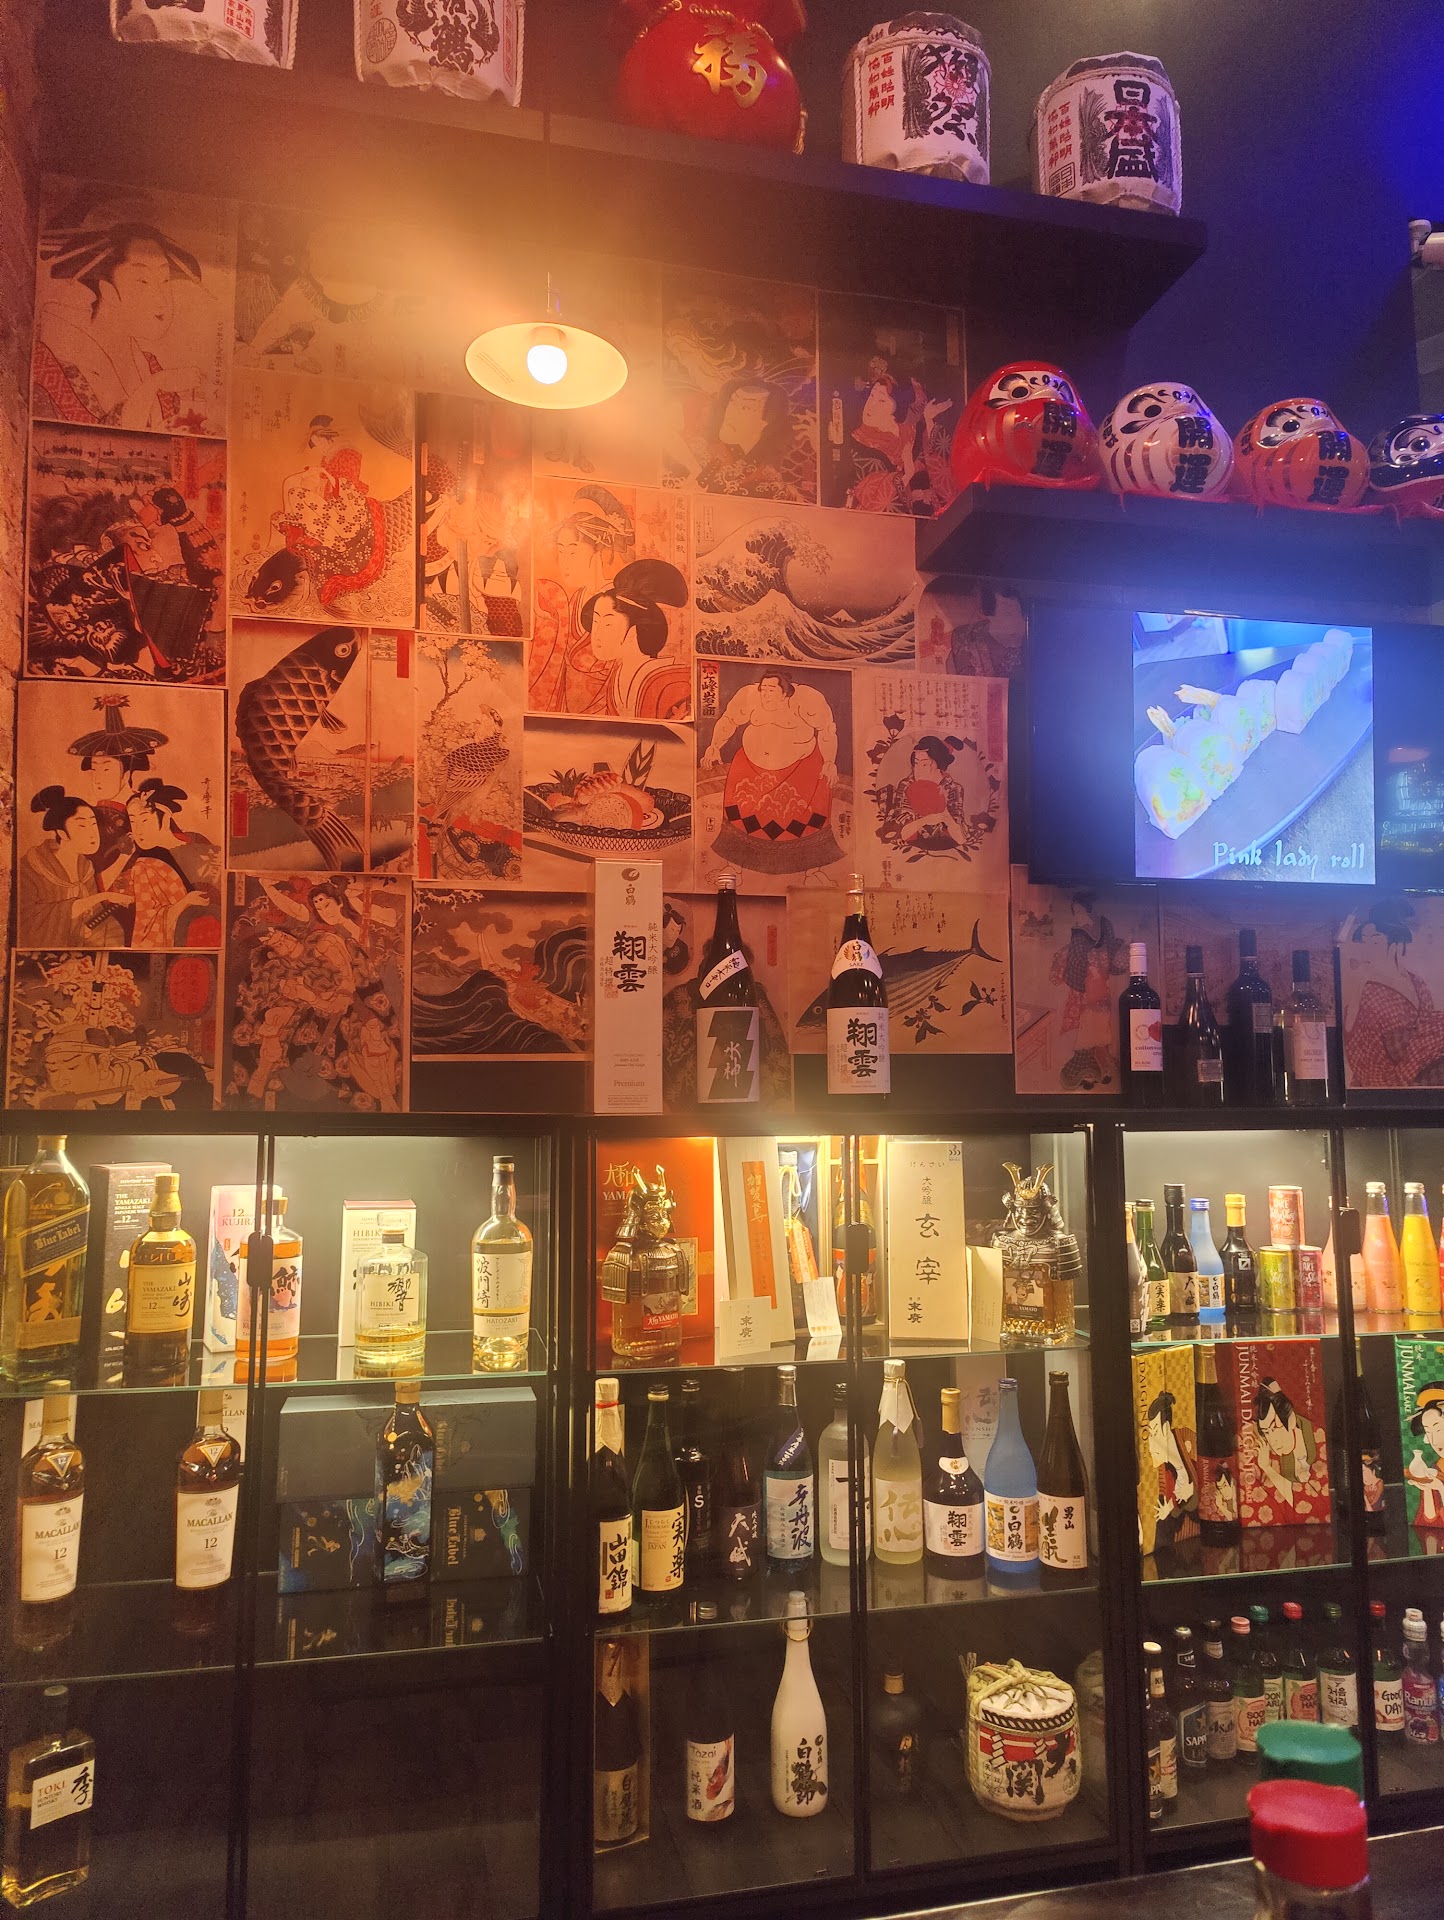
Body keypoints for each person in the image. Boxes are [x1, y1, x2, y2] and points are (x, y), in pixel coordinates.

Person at [33, 205, 217, 433]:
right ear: (108, 291)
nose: (162, 300)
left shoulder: (150, 365)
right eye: (143, 282)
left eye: (165, 280)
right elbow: (93, 441)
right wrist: (153, 385)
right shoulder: (52, 365)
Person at [701, 669, 843, 876]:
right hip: (753, 767)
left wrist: (829, 761)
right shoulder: (748, 697)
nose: (765, 695)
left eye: (771, 690)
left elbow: (827, 730)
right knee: (741, 813)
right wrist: (714, 746)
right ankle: (734, 869)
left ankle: (812, 872)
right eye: (763, 689)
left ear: (785, 692)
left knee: (806, 816)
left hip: (799, 766)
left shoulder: (807, 700)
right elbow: (728, 721)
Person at [529, 485, 636, 711]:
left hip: (606, 707)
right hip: (568, 707)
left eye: (573, 551)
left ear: (598, 551)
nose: (564, 562)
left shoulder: (619, 601)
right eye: (561, 552)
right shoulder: (575, 599)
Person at [1343, 900, 1444, 1087]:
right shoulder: (1366, 989)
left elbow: (1429, 1028)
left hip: (1428, 1070)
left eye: (1375, 941)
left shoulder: (1417, 982)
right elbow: (1356, 1041)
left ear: (1394, 942)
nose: (1367, 947)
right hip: (1387, 1077)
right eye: (1363, 941)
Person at [580, 558, 690, 720]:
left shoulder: (669, 682)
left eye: (608, 624)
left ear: (636, 629)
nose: (596, 634)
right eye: (595, 622)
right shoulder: (617, 675)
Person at [18, 787, 128, 947]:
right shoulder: (32, 867)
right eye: (82, 826)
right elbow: (27, 923)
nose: (93, 833)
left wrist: (87, 928)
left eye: (93, 824)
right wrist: (102, 897)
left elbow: (94, 914)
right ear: (62, 833)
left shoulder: (85, 868)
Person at [115, 778, 215, 948]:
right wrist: (185, 902)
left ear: (166, 817)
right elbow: (146, 928)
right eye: (133, 821)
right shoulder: (143, 866)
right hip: (182, 941)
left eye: (144, 820)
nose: (137, 830)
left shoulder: (197, 842)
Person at [1253, 1377, 1324, 1510]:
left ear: (1291, 1419)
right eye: (1267, 1432)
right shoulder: (1260, 1449)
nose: (1272, 1440)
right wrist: (1266, 1467)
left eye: (1275, 1427)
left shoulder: (1317, 1437)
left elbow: (1317, 1501)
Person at [1145, 1388, 1196, 1550]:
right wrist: (1170, 1510)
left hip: (1196, 1537)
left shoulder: (1187, 1438)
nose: (1151, 1442)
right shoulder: (1162, 1470)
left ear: (1166, 1428)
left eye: (1155, 1433)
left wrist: (1191, 1492)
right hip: (1173, 1546)